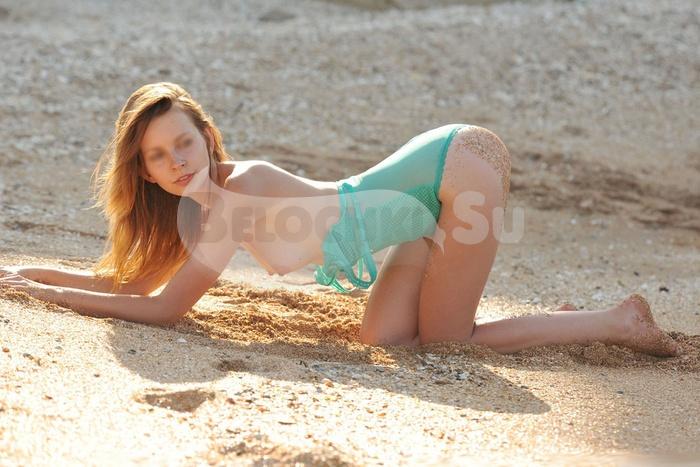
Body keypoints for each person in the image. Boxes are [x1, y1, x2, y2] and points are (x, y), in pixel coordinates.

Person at [0, 82, 681, 357]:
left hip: (454, 167)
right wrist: (29, 275)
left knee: (449, 340)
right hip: (420, 212)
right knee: (388, 338)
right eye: (158, 155)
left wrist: (50, 297)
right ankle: (558, 318)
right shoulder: (203, 212)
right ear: (145, 172)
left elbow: (166, 309)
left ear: (206, 137)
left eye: (183, 142)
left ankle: (619, 319)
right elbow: (132, 285)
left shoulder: (235, 197)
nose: (176, 160)